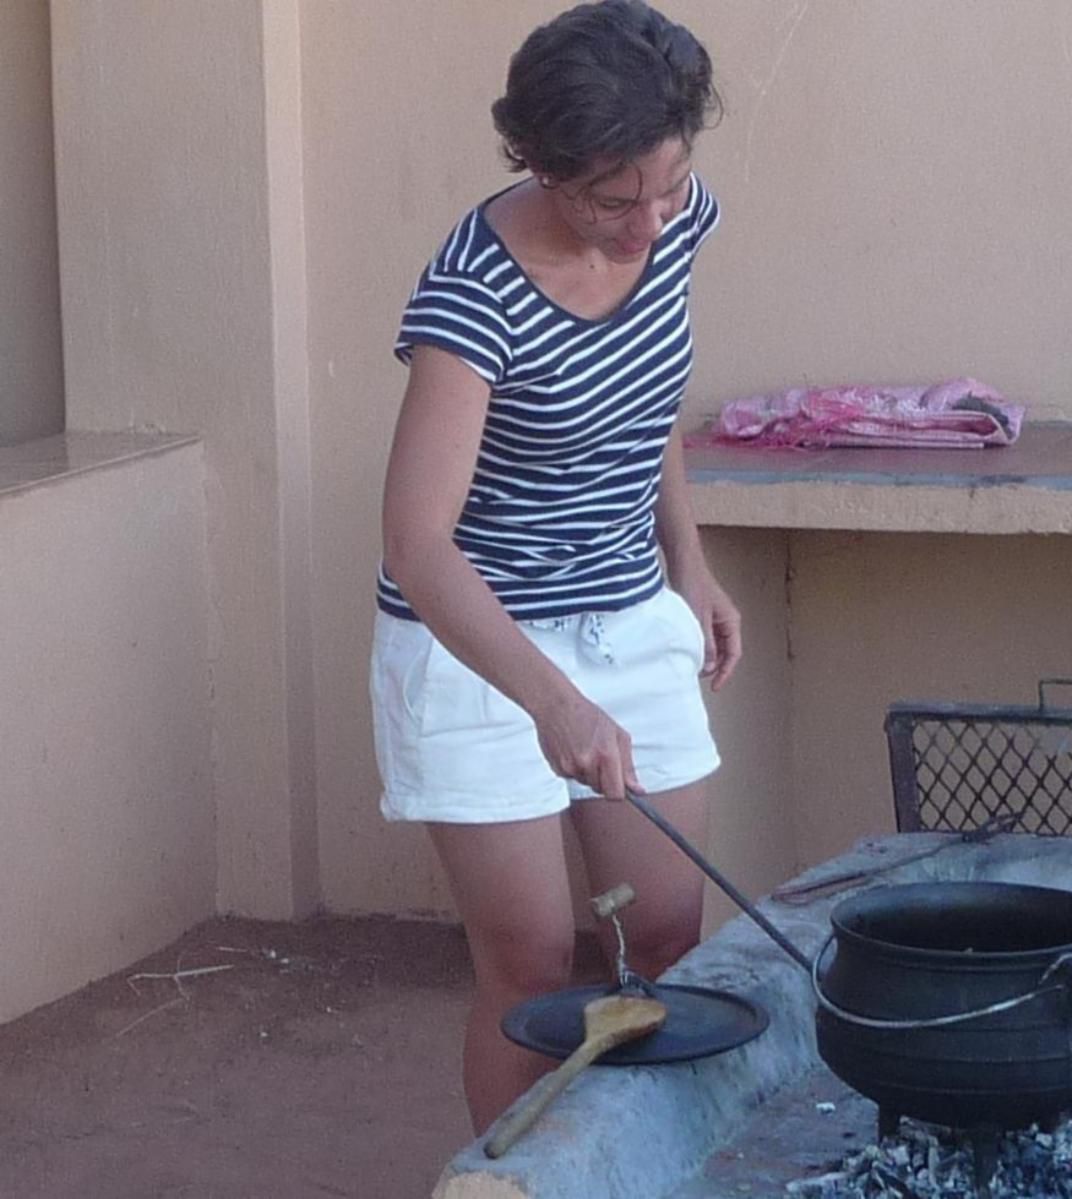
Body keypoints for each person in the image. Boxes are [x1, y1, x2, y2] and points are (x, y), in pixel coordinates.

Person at [369, 0, 739, 1134]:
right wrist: (552, 700)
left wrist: (691, 561)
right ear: (535, 159)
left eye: (665, 188)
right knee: (532, 963)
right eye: (611, 199)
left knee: (668, 933)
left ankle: (640, 1164)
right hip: (479, 645)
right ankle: (516, 1177)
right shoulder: (470, 299)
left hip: (629, 617)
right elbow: (416, 542)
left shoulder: (673, 217)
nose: (645, 224)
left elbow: (650, 401)